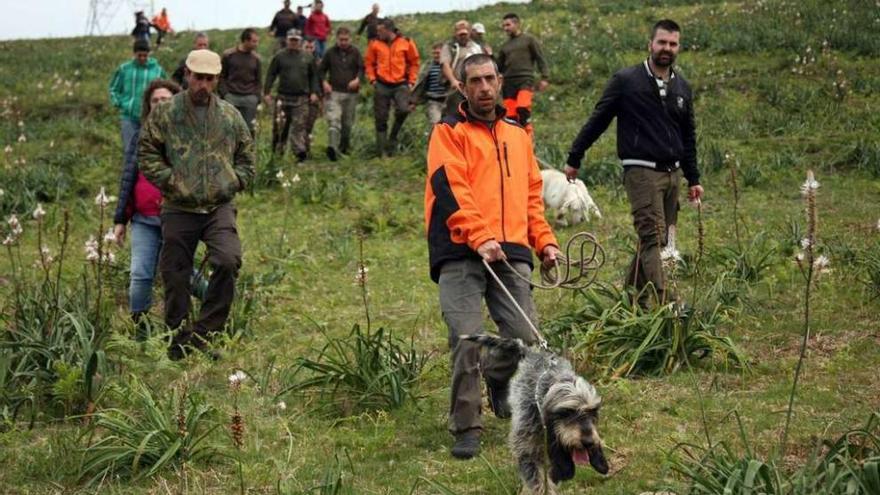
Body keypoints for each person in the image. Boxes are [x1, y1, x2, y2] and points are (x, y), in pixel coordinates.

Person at [425, 53, 560, 459]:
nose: (483, 87)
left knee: (524, 338)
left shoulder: (519, 134)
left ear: (499, 81)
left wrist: (545, 241)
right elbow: (451, 187)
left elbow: (531, 196)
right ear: (463, 88)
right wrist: (479, 236)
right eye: (474, 81)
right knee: (467, 339)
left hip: (511, 250)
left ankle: (498, 380)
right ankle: (467, 426)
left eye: (489, 79)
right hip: (460, 250)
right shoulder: (448, 132)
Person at [565, 19, 703, 306]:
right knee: (653, 238)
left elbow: (688, 135)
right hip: (641, 172)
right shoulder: (627, 81)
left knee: (661, 240)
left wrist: (694, 178)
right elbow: (599, 119)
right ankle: (669, 307)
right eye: (662, 42)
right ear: (650, 44)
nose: (667, 48)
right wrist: (575, 156)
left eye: (673, 43)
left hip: (672, 174)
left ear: (679, 47)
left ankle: (631, 301)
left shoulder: (682, 88)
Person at [138, 49, 255, 360]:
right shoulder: (165, 113)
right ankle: (176, 342)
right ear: (187, 75)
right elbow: (146, 152)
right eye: (197, 77)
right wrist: (172, 180)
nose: (203, 84)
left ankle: (204, 333)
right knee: (175, 274)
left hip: (218, 206)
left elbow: (247, 155)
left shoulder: (230, 115)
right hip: (178, 207)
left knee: (228, 260)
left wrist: (234, 181)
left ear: (217, 79)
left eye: (209, 79)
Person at [113, 79, 206, 339]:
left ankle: (216, 302)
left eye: (166, 99)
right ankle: (139, 330)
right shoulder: (140, 137)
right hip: (143, 220)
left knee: (180, 271)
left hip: (177, 219)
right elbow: (128, 179)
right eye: (155, 101)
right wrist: (121, 219)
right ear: (148, 106)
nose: (161, 104)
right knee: (140, 274)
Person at [364, 18, 420, 157]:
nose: (378, 33)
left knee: (403, 110)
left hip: (401, 84)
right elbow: (369, 63)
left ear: (389, 30)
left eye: (380, 30)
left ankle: (393, 137)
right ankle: (382, 151)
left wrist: (411, 82)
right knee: (381, 117)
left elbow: (414, 62)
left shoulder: (406, 42)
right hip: (381, 84)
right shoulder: (374, 43)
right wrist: (372, 80)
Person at [109, 39, 167, 170]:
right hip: (129, 117)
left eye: (145, 55)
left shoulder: (157, 70)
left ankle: (147, 177)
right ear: (134, 54)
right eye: (139, 55)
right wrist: (120, 104)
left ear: (149, 54)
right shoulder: (124, 69)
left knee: (151, 149)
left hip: (150, 118)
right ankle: (129, 179)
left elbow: (165, 89)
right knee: (130, 149)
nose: (142, 58)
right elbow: (113, 88)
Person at [264, 29, 320, 162]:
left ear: (300, 41)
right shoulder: (279, 56)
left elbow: (314, 77)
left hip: (301, 98)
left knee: (299, 127)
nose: (294, 42)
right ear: (287, 40)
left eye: (296, 40)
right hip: (282, 98)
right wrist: (266, 92)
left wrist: (314, 92)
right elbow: (271, 74)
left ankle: (300, 155)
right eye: (291, 40)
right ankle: (276, 155)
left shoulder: (308, 57)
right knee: (279, 128)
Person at [496, 13, 550, 136]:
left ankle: (528, 140)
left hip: (525, 80)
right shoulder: (505, 46)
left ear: (517, 24)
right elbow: (499, 66)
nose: (506, 28)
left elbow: (540, 58)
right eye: (504, 26)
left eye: (508, 25)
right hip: (508, 84)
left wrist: (545, 77)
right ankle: (516, 142)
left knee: (523, 108)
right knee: (511, 117)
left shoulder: (529, 39)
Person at [319, 26, 363, 160]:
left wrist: (358, 79)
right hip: (334, 92)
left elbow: (362, 69)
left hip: (351, 93)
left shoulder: (355, 52)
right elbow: (321, 70)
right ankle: (332, 147)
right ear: (337, 39)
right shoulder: (330, 52)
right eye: (341, 40)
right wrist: (324, 82)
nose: (343, 42)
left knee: (347, 124)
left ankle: (344, 148)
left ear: (350, 39)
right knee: (334, 120)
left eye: (346, 39)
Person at [220, 28, 262, 136]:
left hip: (249, 98)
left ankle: (248, 152)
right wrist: (225, 94)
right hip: (231, 96)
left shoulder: (256, 58)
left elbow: (259, 80)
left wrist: (256, 97)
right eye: (254, 41)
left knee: (249, 130)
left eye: (257, 41)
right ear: (245, 40)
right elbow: (221, 76)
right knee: (229, 128)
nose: (256, 44)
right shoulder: (228, 55)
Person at [440, 20, 485, 117]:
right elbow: (445, 64)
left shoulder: (477, 47)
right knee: (456, 116)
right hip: (458, 87)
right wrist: (453, 81)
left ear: (469, 32)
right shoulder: (450, 47)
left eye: (465, 33)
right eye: (460, 34)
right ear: (455, 33)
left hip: (476, 87)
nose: (463, 36)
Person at [411, 42, 448, 126]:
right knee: (436, 125)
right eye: (434, 53)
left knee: (449, 127)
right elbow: (420, 85)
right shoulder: (428, 66)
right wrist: (414, 102)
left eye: (438, 53)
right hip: (433, 101)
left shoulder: (451, 65)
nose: (436, 55)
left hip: (447, 101)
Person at [303, 37, 323, 155]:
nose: (309, 50)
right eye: (307, 47)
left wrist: (321, 98)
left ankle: (307, 149)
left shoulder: (318, 62)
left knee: (310, 123)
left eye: (311, 47)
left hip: (315, 97)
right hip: (301, 97)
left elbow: (320, 80)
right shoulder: (298, 61)